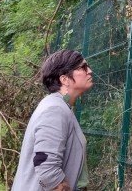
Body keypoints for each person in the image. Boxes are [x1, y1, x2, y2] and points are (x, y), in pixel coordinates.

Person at [12, 50, 93, 191]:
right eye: (83, 68)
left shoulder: (60, 106)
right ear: (64, 79)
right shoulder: (55, 110)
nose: (90, 71)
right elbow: (47, 168)